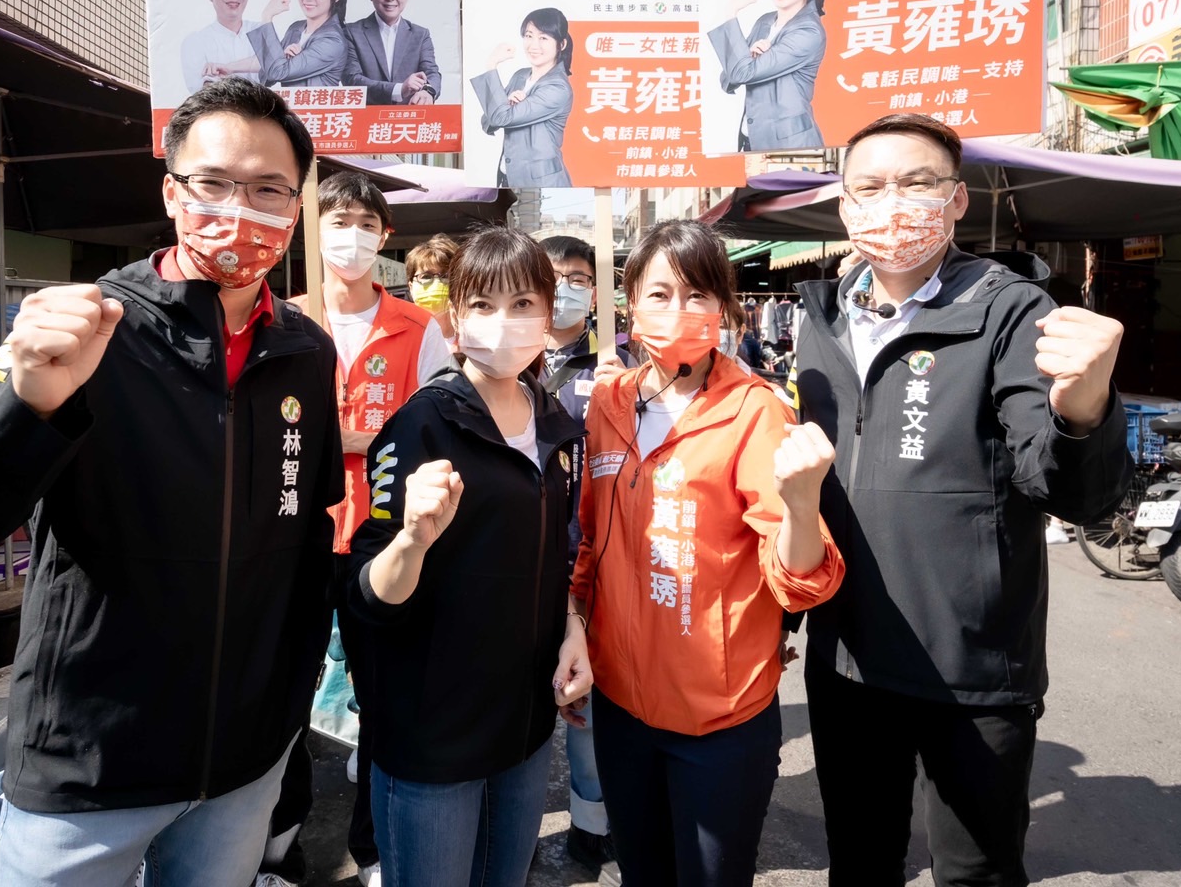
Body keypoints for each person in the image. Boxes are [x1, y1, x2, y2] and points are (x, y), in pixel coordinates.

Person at [0, 78, 345, 887]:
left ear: (294, 206)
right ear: (172, 193)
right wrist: (32, 395)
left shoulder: (308, 352)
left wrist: (288, 700)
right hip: (90, 760)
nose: (240, 210)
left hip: (243, 763)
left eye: (268, 190)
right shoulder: (78, 324)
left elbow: (305, 528)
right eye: (214, 183)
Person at [793, 113, 1131, 887]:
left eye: (918, 183)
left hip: (972, 663)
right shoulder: (822, 319)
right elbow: (800, 490)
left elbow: (1070, 491)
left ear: (955, 201)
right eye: (871, 187)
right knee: (860, 860)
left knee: (975, 870)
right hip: (847, 659)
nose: (893, 204)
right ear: (845, 207)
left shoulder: (1010, 309)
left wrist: (1085, 405)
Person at [570, 219, 845, 886]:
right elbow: (590, 539)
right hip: (620, 708)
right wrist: (575, 626)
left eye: (698, 294)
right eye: (659, 293)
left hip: (718, 722)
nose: (680, 310)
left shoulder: (757, 411)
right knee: (641, 873)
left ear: (723, 306)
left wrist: (803, 504)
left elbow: (801, 584)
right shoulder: (610, 401)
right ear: (631, 303)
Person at [346, 227, 590, 887]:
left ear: (547, 312)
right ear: (453, 320)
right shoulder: (423, 425)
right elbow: (370, 593)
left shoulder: (557, 429)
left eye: (521, 305)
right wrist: (411, 540)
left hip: (525, 726)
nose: (503, 323)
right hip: (434, 735)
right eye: (481, 305)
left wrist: (573, 628)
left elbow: (557, 557)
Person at [263, 171, 454, 887]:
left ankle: (374, 847)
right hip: (295, 536)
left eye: (365, 223)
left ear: (384, 237)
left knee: (385, 695)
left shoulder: (418, 328)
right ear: (314, 231)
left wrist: (360, 438)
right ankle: (279, 841)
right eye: (337, 221)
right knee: (280, 691)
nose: (351, 236)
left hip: (384, 536)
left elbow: (437, 423)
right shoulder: (282, 320)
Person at [535, 235, 627, 869]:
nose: (565, 286)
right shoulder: (500, 358)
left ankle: (592, 824)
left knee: (588, 705)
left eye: (577, 276)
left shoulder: (617, 369)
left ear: (596, 291)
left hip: (591, 564)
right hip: (519, 561)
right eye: (552, 276)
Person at [708, 0, 827, 152]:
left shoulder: (808, 32)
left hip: (791, 148)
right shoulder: (764, 21)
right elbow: (727, 80)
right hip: (751, 143)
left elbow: (740, 73)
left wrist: (730, 11)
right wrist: (749, 57)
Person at [471, 7, 575, 188]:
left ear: (561, 44)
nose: (534, 45)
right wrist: (507, 104)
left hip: (541, 182)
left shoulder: (558, 88)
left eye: (543, 38)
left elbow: (500, 116)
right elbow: (487, 122)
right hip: (506, 177)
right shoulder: (520, 75)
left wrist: (491, 64)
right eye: (529, 36)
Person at [227, 0, 349, 88]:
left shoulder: (332, 41)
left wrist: (267, 16)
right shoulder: (296, 28)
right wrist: (228, 68)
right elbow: (268, 71)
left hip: (316, 108)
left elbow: (277, 72)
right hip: (289, 107)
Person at [343, 0, 442, 105]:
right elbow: (351, 79)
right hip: (366, 123)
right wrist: (399, 89)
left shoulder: (420, 35)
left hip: (409, 121)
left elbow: (432, 73)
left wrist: (427, 91)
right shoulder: (351, 33)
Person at [179, 0, 260, 93]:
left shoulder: (260, 30)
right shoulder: (195, 41)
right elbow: (204, 93)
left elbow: (275, 64)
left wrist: (228, 68)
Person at [404, 233, 459, 343]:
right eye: (426, 276)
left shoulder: (473, 338)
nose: (437, 282)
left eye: (446, 276)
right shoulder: (403, 339)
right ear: (411, 287)